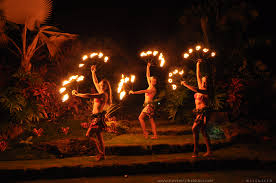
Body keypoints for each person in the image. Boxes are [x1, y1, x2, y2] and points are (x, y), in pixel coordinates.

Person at [72, 65, 112, 161]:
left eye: (104, 85)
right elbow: (95, 82)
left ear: (106, 87)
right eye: (101, 85)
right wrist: (93, 72)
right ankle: (102, 155)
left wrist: (78, 94)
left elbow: (89, 95)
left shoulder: (103, 94)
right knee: (99, 137)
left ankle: (101, 153)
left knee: (88, 135)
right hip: (96, 117)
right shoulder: (101, 91)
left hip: (98, 118)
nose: (101, 86)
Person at [181, 59, 212, 158]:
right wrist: (197, 64)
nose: (204, 83)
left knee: (194, 129)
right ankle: (206, 151)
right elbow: (197, 75)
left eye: (205, 82)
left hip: (204, 113)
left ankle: (196, 151)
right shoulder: (201, 87)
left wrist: (185, 85)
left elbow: (196, 89)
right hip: (198, 113)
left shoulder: (206, 91)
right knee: (202, 131)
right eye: (203, 82)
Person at [129, 62, 158, 139]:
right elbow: (147, 75)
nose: (150, 78)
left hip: (149, 106)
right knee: (149, 120)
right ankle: (151, 134)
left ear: (153, 81)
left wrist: (134, 92)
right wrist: (148, 67)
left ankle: (147, 133)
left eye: (151, 78)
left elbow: (143, 91)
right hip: (148, 106)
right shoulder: (150, 85)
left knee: (142, 118)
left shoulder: (152, 88)